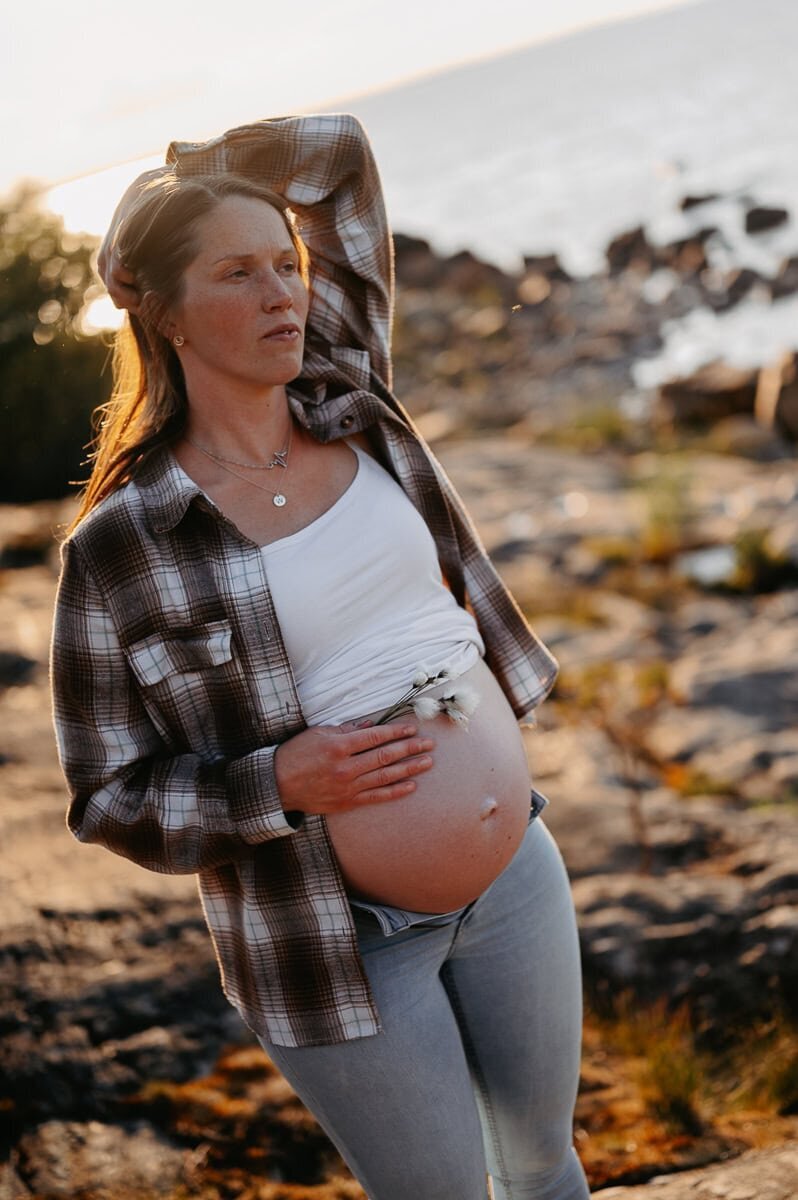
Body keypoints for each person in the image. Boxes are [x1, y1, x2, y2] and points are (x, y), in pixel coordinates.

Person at [50, 113, 590, 1200]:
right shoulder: (123, 544)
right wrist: (278, 782)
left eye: (285, 264)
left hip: (515, 873)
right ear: (160, 310)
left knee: (544, 1167)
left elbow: (337, 158)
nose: (281, 296)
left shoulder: (348, 393)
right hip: (335, 939)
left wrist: (179, 181)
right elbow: (107, 797)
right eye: (236, 273)